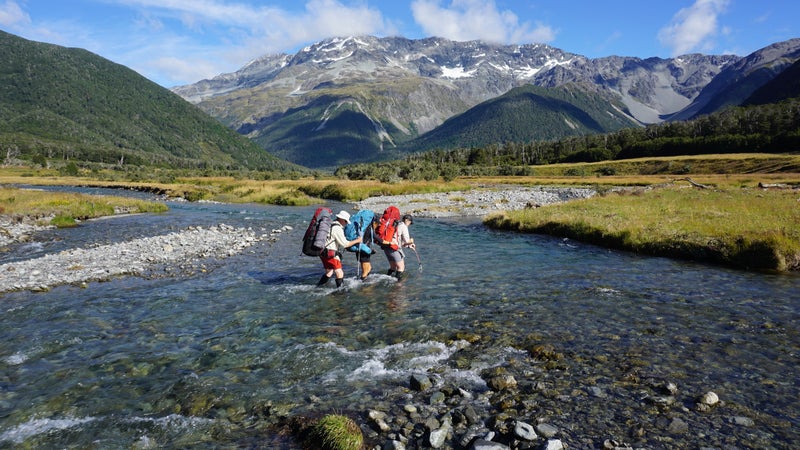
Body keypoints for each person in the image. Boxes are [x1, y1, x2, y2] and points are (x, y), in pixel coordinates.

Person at [317, 211, 362, 288]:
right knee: (339, 272)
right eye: (345, 221)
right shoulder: (337, 228)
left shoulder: (330, 224)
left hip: (322, 252)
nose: (346, 223)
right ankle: (340, 292)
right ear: (341, 219)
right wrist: (357, 240)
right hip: (330, 254)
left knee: (329, 272)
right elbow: (345, 244)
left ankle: (318, 287)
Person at [383, 214, 415, 281]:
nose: (409, 224)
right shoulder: (403, 226)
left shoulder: (396, 224)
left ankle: (385, 279)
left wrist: (409, 246)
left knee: (393, 267)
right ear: (406, 220)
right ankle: (398, 286)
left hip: (386, 247)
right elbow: (407, 240)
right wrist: (412, 241)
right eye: (410, 223)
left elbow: (401, 241)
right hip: (394, 248)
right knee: (401, 268)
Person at [356, 217, 378, 281]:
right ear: (374, 222)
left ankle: (364, 282)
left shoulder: (363, 228)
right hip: (363, 251)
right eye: (377, 224)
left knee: (368, 268)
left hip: (361, 249)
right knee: (365, 271)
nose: (377, 225)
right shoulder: (369, 229)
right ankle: (362, 286)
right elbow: (377, 238)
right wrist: (387, 242)